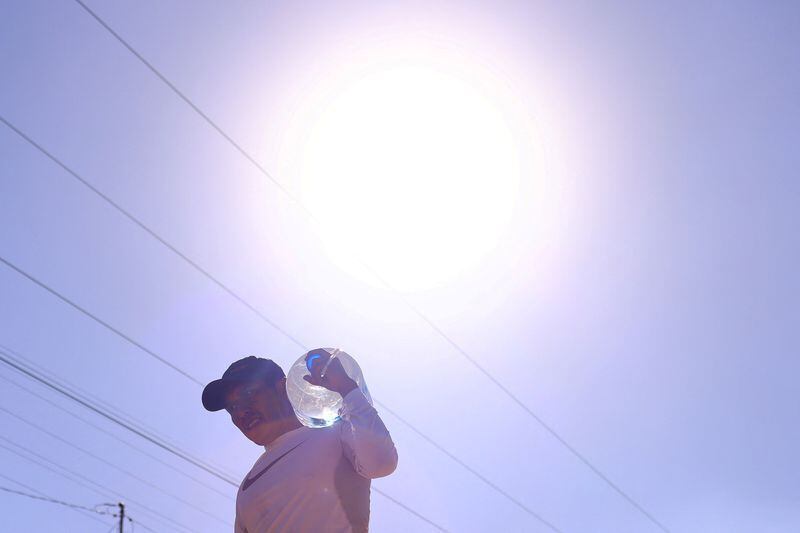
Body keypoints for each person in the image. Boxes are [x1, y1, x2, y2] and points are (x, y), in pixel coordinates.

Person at [202, 352, 398, 533]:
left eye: (248, 395)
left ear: (282, 388)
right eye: (232, 407)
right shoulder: (247, 486)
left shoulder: (337, 433)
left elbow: (381, 462)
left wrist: (346, 387)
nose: (240, 412)